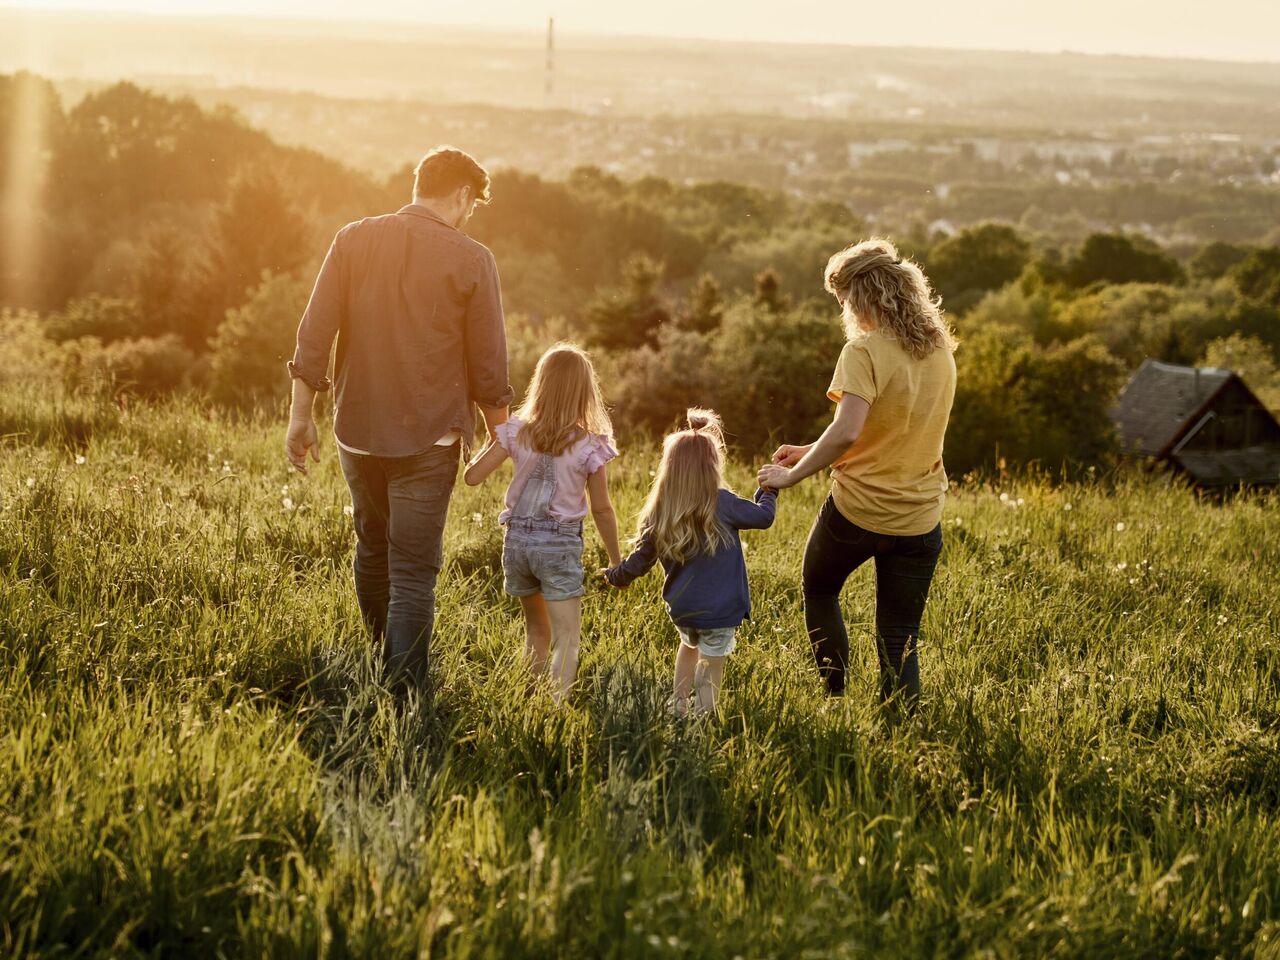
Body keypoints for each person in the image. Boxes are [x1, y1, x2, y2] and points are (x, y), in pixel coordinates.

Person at [284, 145, 513, 688]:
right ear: (461, 195)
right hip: (429, 438)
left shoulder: (352, 238)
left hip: (356, 430)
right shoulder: (473, 258)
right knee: (413, 571)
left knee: (373, 548)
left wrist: (301, 418)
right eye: (470, 206)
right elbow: (488, 363)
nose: (468, 217)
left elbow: (314, 334)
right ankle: (405, 693)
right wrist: (502, 434)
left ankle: (375, 659)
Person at [757, 237, 956, 711]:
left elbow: (847, 433)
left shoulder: (863, 351)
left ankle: (836, 699)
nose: (844, 312)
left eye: (844, 302)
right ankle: (904, 731)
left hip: (856, 513)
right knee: (899, 634)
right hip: (919, 519)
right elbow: (893, 427)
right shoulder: (940, 352)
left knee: (819, 589)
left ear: (863, 297)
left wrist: (792, 476)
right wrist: (809, 448)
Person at [464, 343, 622, 701]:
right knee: (567, 638)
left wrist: (485, 443)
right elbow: (602, 509)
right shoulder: (589, 445)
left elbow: (473, 477)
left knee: (536, 630)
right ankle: (554, 709)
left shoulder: (516, 431)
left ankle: (527, 699)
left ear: (541, 383)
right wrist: (615, 561)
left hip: (517, 544)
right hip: (559, 547)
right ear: (586, 392)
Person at [604, 409, 777, 716]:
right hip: (720, 610)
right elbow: (763, 517)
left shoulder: (662, 510)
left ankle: (678, 704)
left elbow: (640, 561)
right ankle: (703, 717)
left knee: (689, 646)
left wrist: (618, 575)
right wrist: (769, 490)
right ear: (713, 466)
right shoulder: (723, 502)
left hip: (684, 608)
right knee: (711, 666)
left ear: (669, 469)